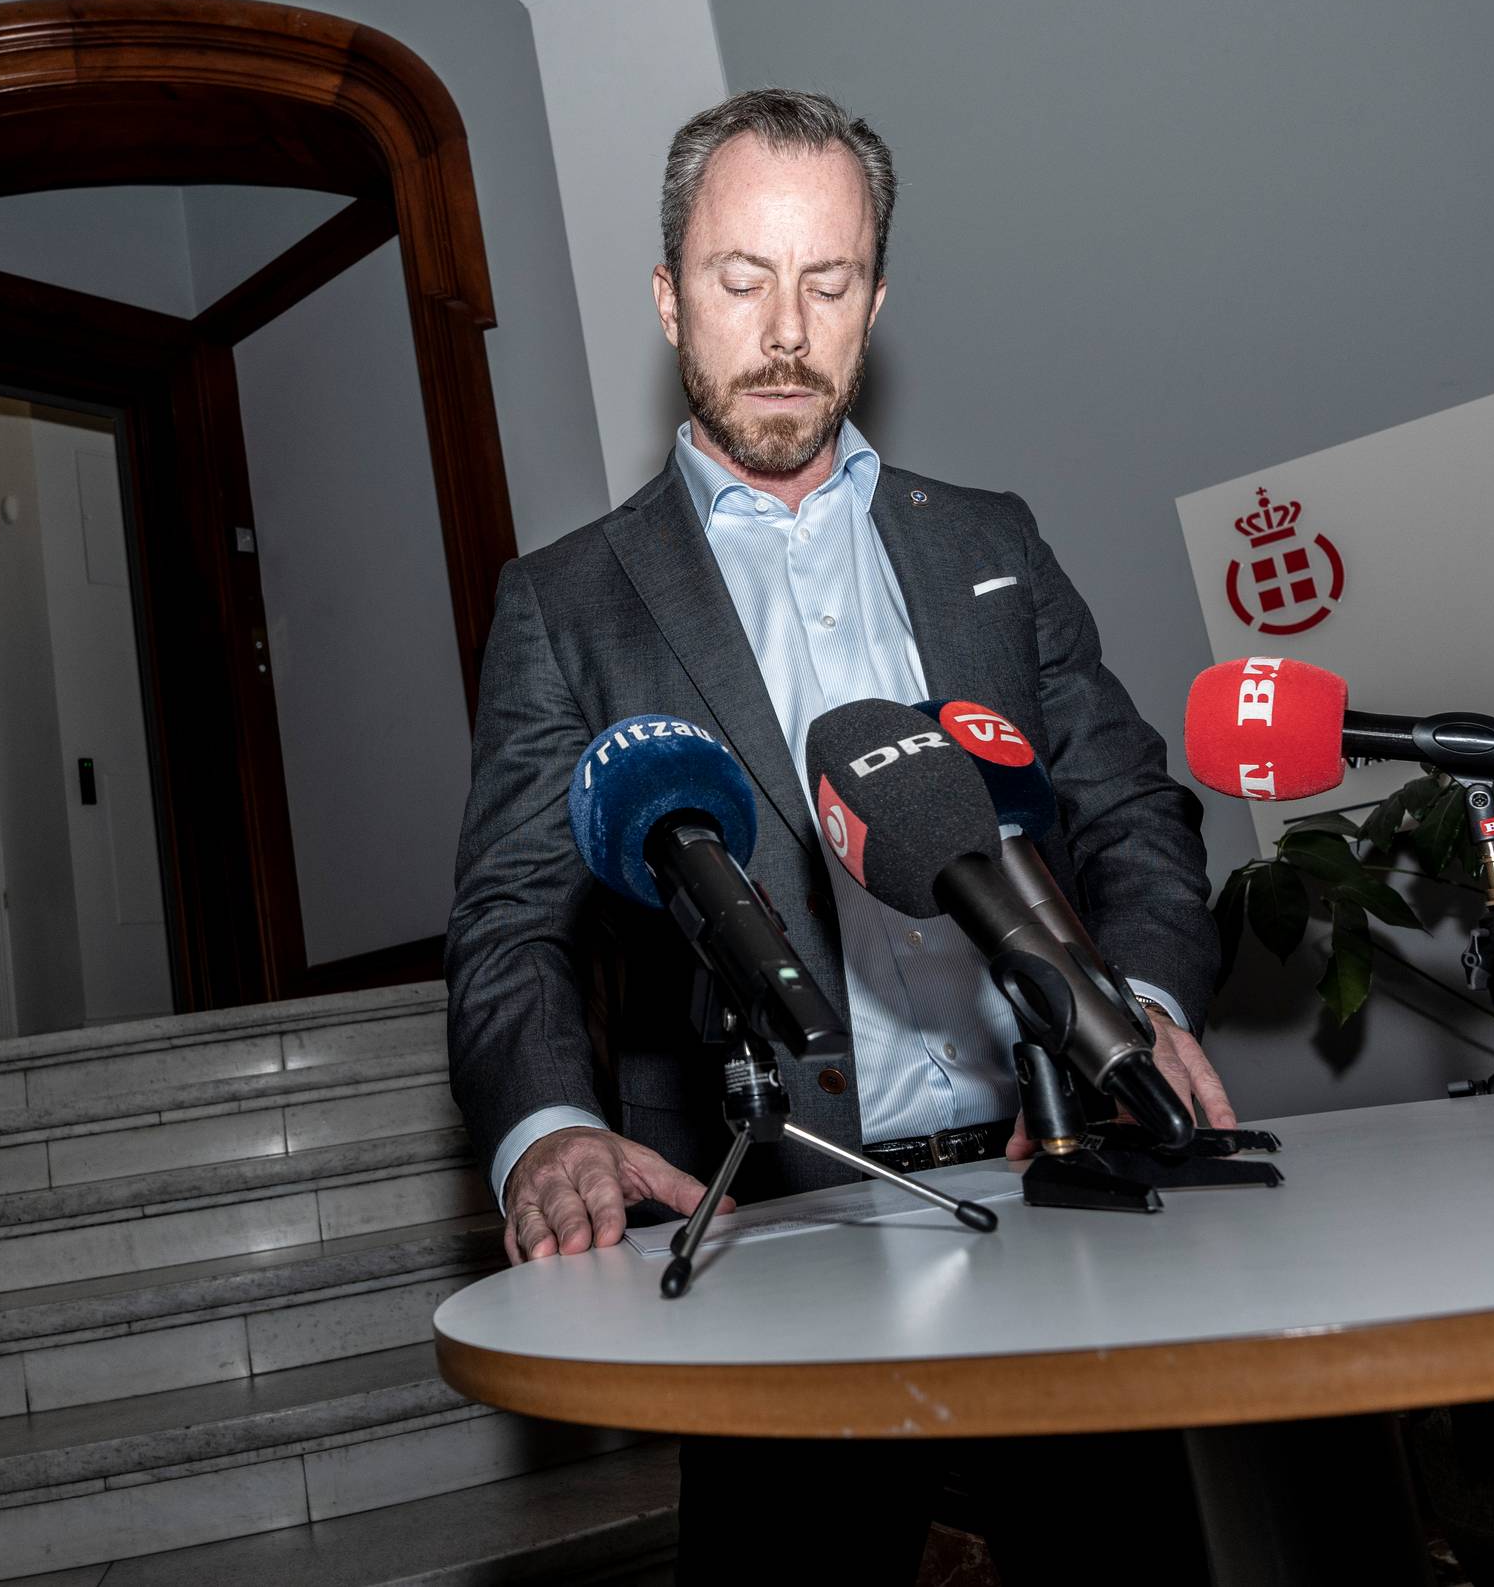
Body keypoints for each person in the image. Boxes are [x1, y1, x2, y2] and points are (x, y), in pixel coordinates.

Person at [444, 89, 1231, 1582]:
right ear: (670, 298)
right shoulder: (564, 602)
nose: (786, 330)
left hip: (1060, 1180)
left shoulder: (990, 541)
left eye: (829, 280)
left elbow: (1133, 810)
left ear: (876, 300)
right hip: (770, 1229)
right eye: (742, 279)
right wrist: (549, 1130)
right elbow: (511, 923)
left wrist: (1134, 1003)